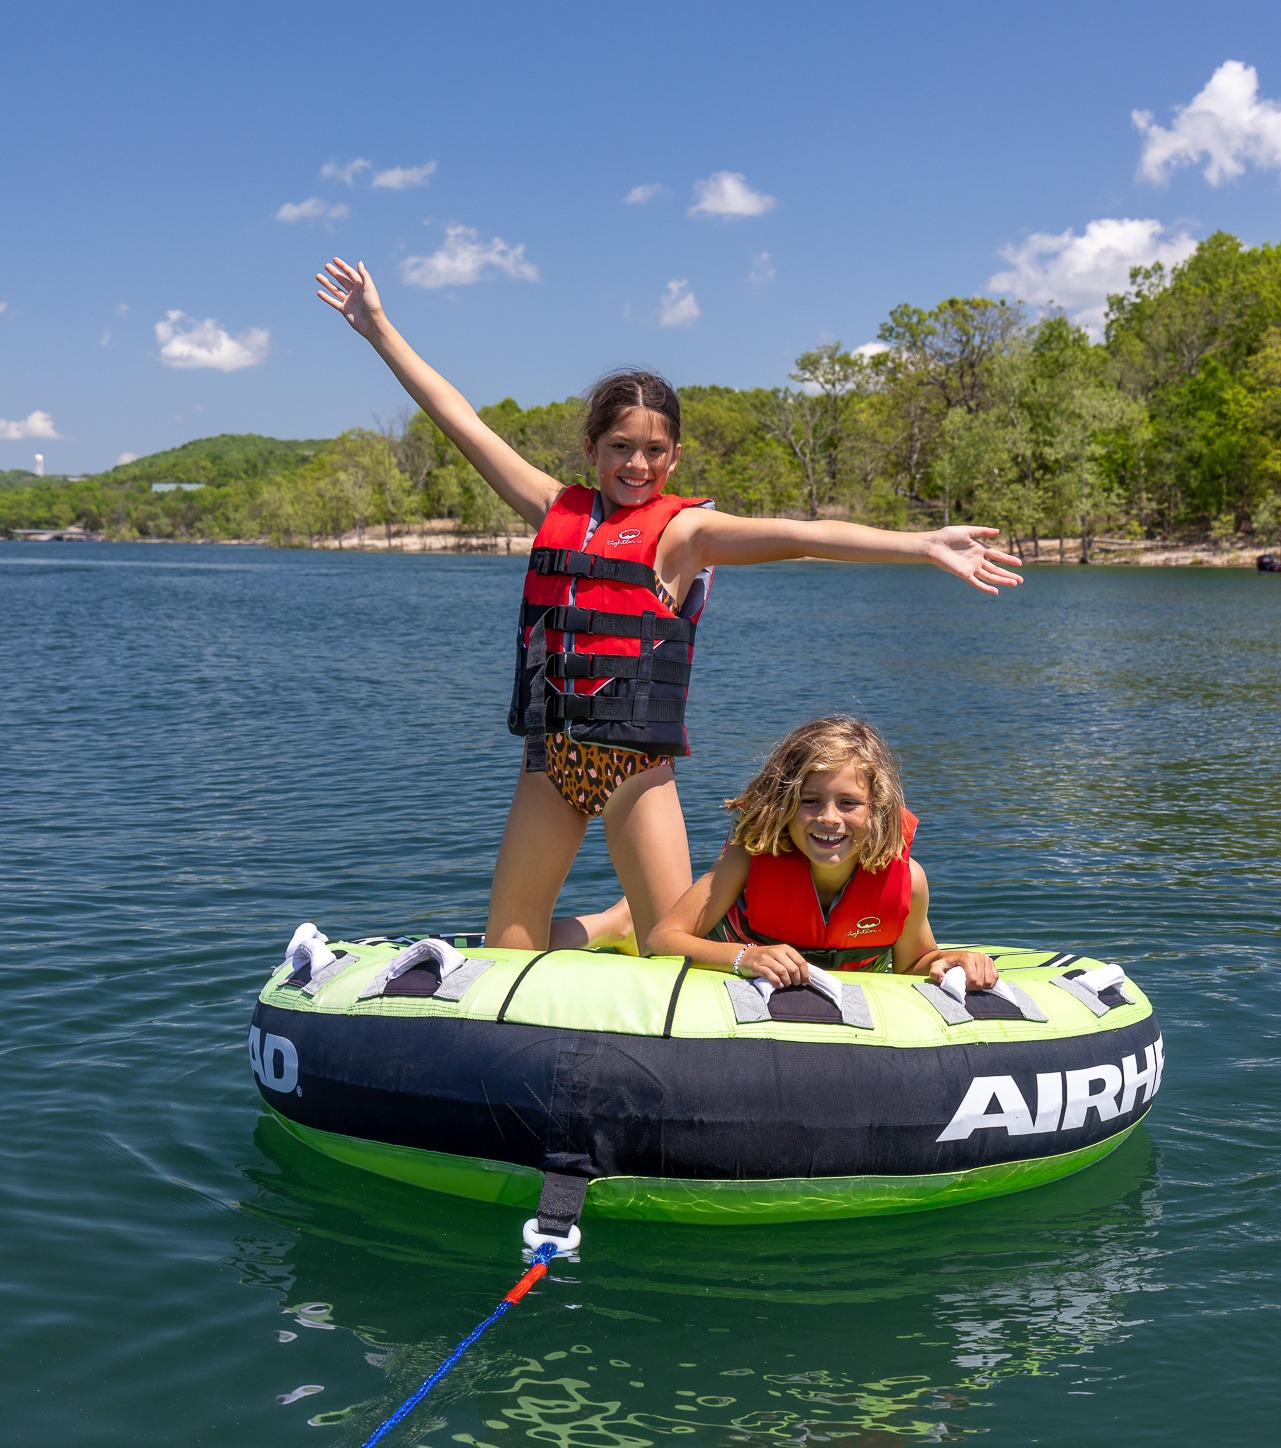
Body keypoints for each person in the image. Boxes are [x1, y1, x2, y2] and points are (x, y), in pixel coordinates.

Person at [315, 258, 1022, 953]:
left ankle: (631, 924)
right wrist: (378, 329)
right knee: (508, 952)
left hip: (635, 767)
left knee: (670, 950)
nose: (636, 464)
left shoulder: (684, 534)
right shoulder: (554, 508)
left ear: (674, 456)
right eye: (620, 446)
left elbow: (804, 534)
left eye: (654, 450)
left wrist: (921, 544)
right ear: (591, 448)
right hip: (550, 760)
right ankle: (610, 923)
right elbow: (460, 421)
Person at [648, 716, 997, 990]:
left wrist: (952, 960)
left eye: (849, 803)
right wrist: (745, 957)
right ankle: (623, 922)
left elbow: (910, 965)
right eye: (810, 801)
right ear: (784, 803)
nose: (829, 818)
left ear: (876, 809)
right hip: (738, 954)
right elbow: (662, 939)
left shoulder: (909, 879)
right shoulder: (749, 858)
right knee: (632, 931)